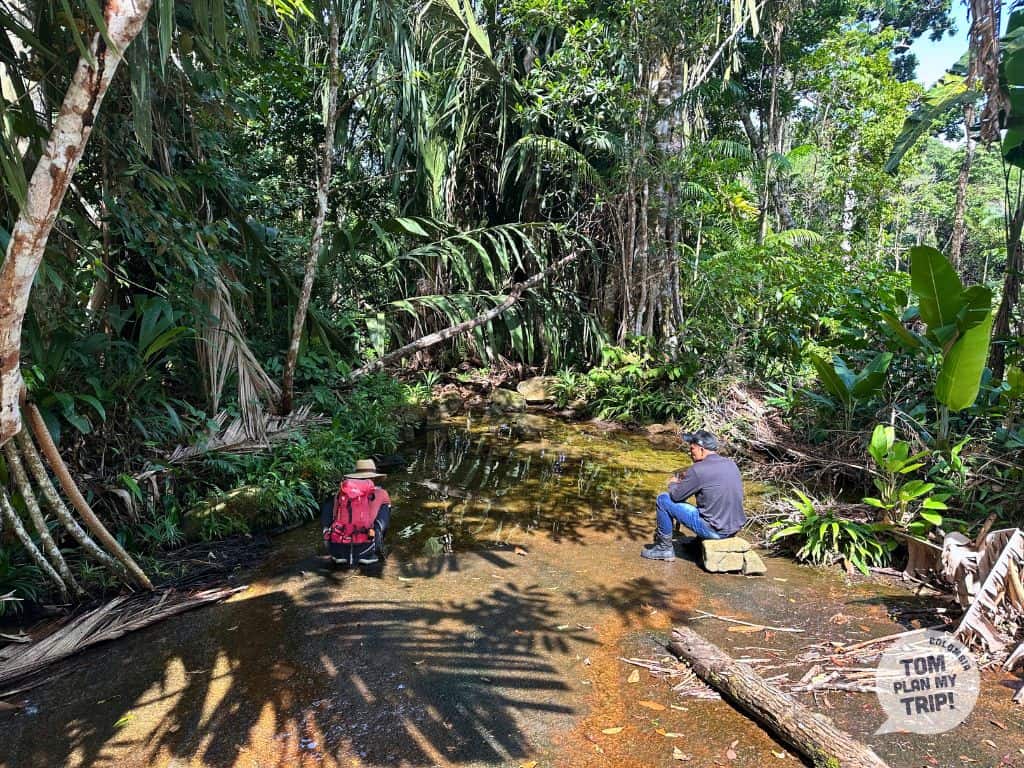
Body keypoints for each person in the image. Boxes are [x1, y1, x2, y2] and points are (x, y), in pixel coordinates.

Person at [641, 429, 745, 561]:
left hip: (715, 531)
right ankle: (697, 544)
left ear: (702, 449)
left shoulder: (698, 469)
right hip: (733, 528)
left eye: (692, 449)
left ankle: (664, 548)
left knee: (663, 499)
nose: (690, 453)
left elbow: (676, 497)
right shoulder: (731, 464)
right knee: (710, 504)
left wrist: (673, 483)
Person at [321, 458, 392, 565]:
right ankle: (370, 553)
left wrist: (327, 535)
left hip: (336, 548)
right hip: (366, 549)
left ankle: (339, 554)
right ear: (374, 477)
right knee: (385, 509)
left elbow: (327, 518)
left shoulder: (340, 493)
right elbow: (384, 524)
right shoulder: (382, 493)